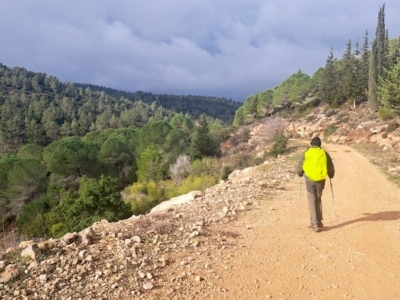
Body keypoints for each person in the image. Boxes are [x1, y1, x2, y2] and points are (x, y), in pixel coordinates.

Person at [297, 137, 335, 232]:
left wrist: (300, 173)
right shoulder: (324, 154)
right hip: (321, 180)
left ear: (311, 144)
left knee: (311, 200)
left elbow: (300, 167)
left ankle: (314, 224)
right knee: (318, 199)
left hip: (309, 180)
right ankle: (319, 222)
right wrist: (331, 175)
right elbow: (330, 167)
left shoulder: (306, 153)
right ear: (319, 145)